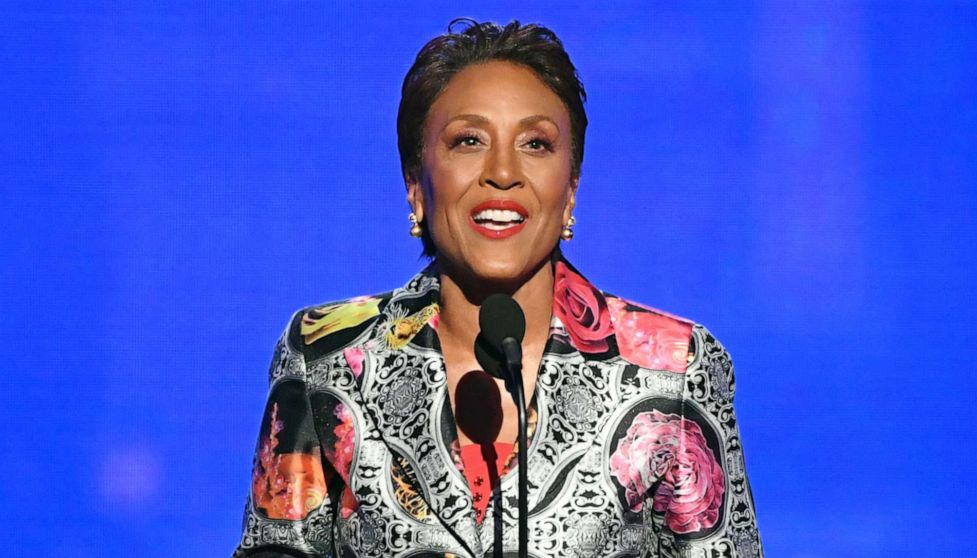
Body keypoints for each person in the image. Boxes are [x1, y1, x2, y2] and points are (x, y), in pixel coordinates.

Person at [233, 19, 763, 558]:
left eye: (535, 143)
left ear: (571, 187)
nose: (503, 172)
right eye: (468, 141)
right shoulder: (327, 355)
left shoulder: (671, 369)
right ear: (416, 184)